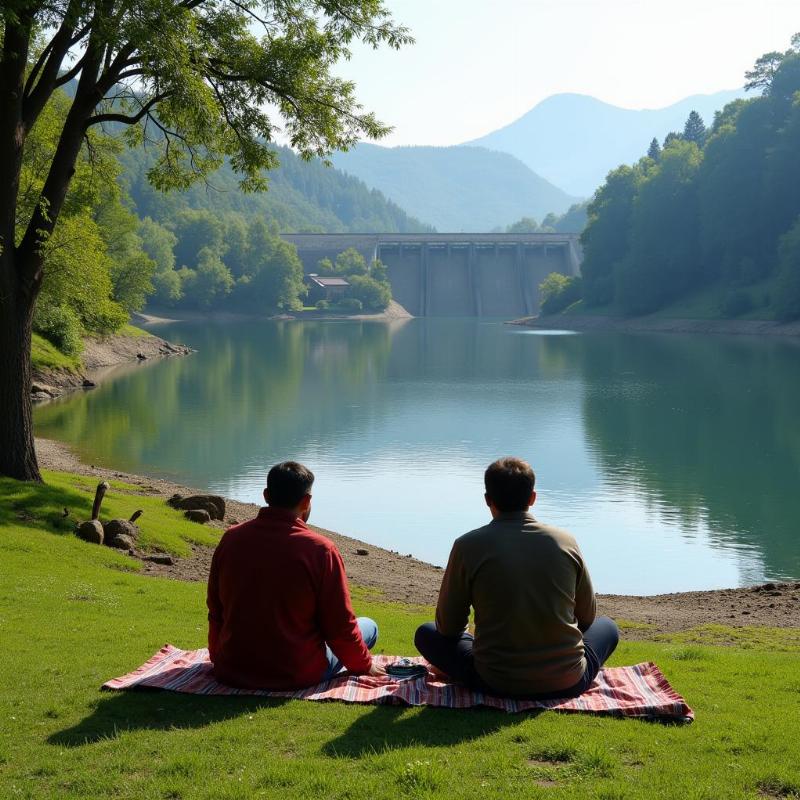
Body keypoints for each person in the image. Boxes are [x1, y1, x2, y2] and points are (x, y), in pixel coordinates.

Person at [414, 456, 618, 698]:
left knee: (427, 633)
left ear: (488, 500)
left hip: (494, 680)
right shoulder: (565, 541)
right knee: (608, 627)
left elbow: (448, 628)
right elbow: (587, 617)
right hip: (567, 680)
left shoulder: (467, 546)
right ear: (532, 498)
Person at [207, 460, 384, 689]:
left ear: (266, 495)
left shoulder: (231, 539)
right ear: (306, 501)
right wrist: (364, 665)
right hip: (295, 673)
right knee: (369, 626)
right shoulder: (320, 549)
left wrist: (217, 656)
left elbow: (216, 609)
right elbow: (341, 626)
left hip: (232, 668)